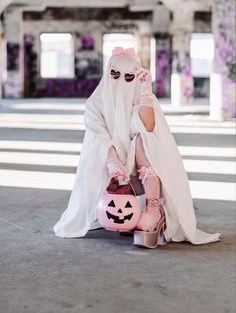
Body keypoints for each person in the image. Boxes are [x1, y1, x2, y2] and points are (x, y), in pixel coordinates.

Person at [53, 46, 221, 248]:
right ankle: (113, 208)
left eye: (129, 77)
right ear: (107, 73)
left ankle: (153, 209)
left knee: (145, 139)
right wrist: (114, 162)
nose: (121, 81)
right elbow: (98, 137)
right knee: (99, 146)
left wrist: (145, 92)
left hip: (138, 166)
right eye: (115, 74)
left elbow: (147, 127)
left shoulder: (142, 98)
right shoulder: (95, 104)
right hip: (108, 166)